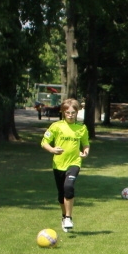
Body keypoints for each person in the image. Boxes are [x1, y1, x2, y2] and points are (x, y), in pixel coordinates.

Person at [41, 98, 90, 232]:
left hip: (74, 163)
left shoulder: (82, 128)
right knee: (61, 193)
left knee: (68, 187)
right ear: (63, 112)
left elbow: (85, 144)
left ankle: (68, 217)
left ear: (77, 112)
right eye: (67, 112)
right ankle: (64, 216)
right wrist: (52, 150)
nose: (70, 115)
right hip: (58, 164)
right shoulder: (56, 126)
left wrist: (85, 152)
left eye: (73, 112)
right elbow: (44, 142)